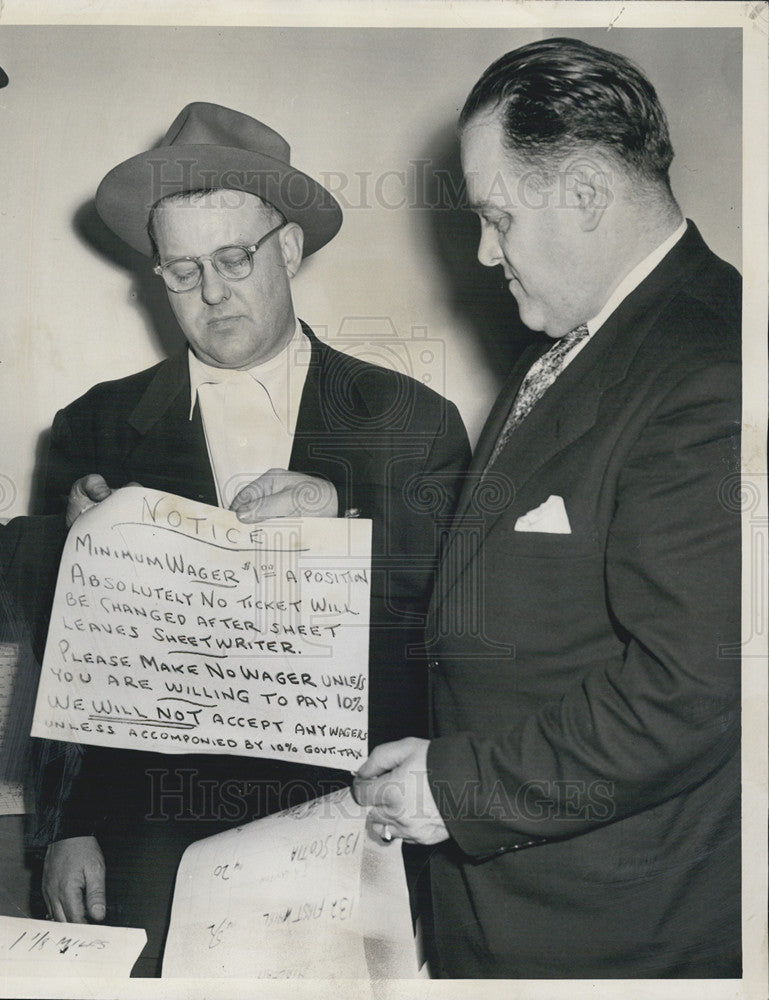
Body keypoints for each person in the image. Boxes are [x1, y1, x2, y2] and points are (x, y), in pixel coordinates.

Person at [37, 102, 470, 975]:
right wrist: (69, 824)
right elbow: (66, 653)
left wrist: (347, 537)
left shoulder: (411, 421)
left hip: (353, 814)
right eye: (182, 270)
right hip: (151, 825)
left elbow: (465, 618)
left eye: (234, 258)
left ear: (288, 250)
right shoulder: (96, 426)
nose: (212, 293)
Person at [354, 37, 741, 978]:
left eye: (496, 218)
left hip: (614, 929)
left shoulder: (709, 368)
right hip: (525, 899)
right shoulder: (573, 340)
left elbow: (692, 691)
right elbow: (505, 570)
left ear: (583, 195)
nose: (483, 253)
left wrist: (451, 789)